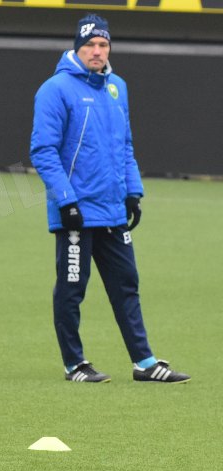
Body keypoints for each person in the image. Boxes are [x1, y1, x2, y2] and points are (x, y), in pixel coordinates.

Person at [30, 14, 191, 384]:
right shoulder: (55, 89)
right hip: (76, 213)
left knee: (126, 284)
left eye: (103, 45)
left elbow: (125, 145)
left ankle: (145, 363)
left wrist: (133, 192)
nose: (98, 52)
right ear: (77, 47)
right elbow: (43, 151)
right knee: (73, 288)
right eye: (90, 45)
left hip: (112, 209)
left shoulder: (117, 87)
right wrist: (66, 201)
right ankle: (75, 364)